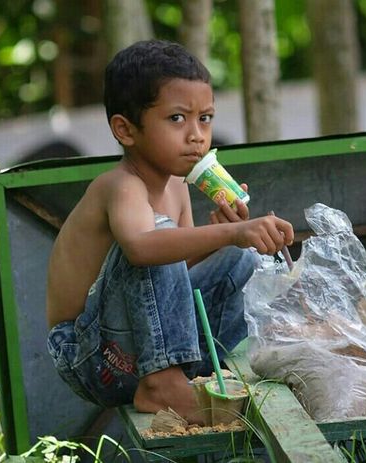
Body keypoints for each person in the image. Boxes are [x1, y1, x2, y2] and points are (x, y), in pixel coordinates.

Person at [46, 39, 294, 423]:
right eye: (177, 119)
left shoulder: (177, 186)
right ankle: (164, 383)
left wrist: (221, 240)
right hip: (92, 354)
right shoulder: (120, 185)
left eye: (205, 118)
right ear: (125, 130)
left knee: (238, 258)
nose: (196, 135)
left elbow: (173, 281)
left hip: (144, 344)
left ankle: (211, 373)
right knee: (158, 238)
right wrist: (235, 232)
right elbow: (145, 250)